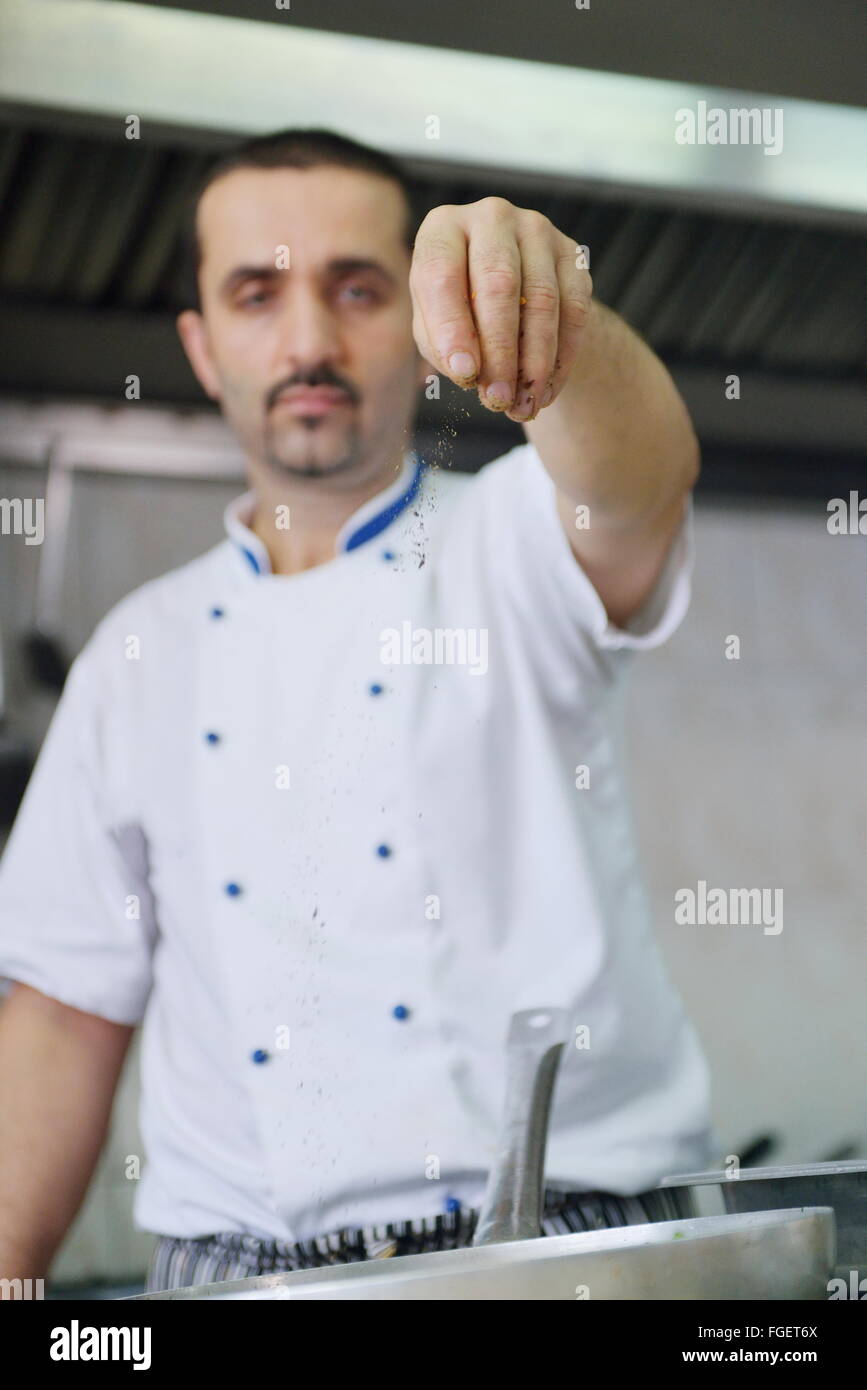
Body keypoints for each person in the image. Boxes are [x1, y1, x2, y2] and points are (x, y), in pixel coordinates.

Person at [0, 128, 715, 1294]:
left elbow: (641, 478)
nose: (310, 340)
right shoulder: (136, 656)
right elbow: (63, 1015)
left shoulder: (512, 543)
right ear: (201, 343)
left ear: (427, 322)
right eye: (256, 292)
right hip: (243, 1273)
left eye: (358, 287)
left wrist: (557, 326)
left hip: (576, 1248)